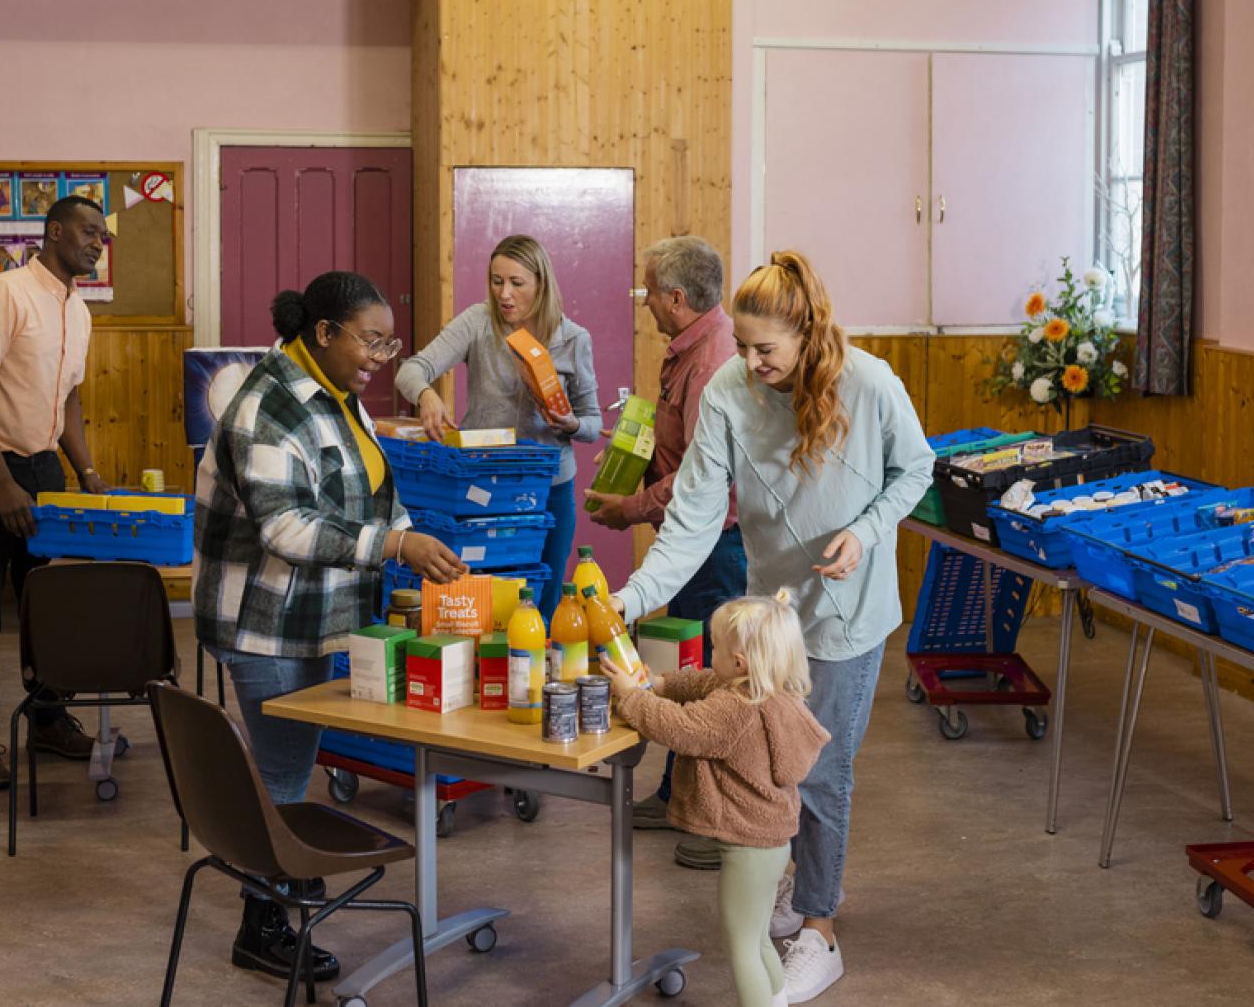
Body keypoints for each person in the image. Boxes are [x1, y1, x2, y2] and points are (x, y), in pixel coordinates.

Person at [611, 251, 930, 1004]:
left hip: (850, 615)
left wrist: (869, 530)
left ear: (808, 332)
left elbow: (915, 469)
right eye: (744, 347)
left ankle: (819, 928)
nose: (750, 364)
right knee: (769, 765)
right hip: (770, 621)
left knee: (820, 771)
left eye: (766, 350)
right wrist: (631, 597)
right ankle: (798, 884)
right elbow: (691, 520)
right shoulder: (729, 392)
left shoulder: (870, 383)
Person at [196, 271, 466, 986]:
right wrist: (392, 547)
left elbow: (374, 487)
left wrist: (409, 537)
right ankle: (262, 926)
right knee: (281, 775)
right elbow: (284, 525)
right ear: (323, 333)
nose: (381, 355)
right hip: (266, 623)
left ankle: (283, 875)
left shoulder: (339, 399)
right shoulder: (266, 404)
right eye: (370, 340)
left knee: (291, 764)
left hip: (317, 618)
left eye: (389, 341)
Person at [0, 194, 112, 791]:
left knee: (46, 605)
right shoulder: (6, 293)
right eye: (89, 232)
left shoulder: (79, 310)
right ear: (54, 231)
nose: (98, 244)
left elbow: (68, 396)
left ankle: (46, 717)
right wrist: (0, 484)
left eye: (103, 236)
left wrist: (86, 471)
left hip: (43, 471)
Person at [588, 236, 746, 871]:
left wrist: (630, 507)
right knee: (687, 665)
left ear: (676, 299)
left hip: (719, 542)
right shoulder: (689, 349)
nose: (643, 300)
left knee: (720, 680)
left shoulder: (714, 363)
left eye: (648, 290)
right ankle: (678, 793)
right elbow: (677, 455)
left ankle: (720, 817)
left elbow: (703, 479)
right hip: (693, 538)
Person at [604, 592, 829, 1007]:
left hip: (747, 849)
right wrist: (661, 684)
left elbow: (683, 728)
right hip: (771, 842)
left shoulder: (734, 708)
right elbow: (704, 681)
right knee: (758, 940)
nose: (711, 655)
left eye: (715, 647)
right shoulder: (767, 692)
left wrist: (633, 697)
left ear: (740, 662)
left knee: (742, 947)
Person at [396, 234, 601, 615]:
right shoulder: (477, 322)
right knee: (479, 599)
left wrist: (570, 423)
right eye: (496, 281)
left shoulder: (574, 339)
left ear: (541, 284)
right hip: (483, 485)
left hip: (548, 489)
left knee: (543, 596)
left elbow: (593, 423)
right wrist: (426, 394)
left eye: (516, 283)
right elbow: (411, 368)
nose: (504, 293)